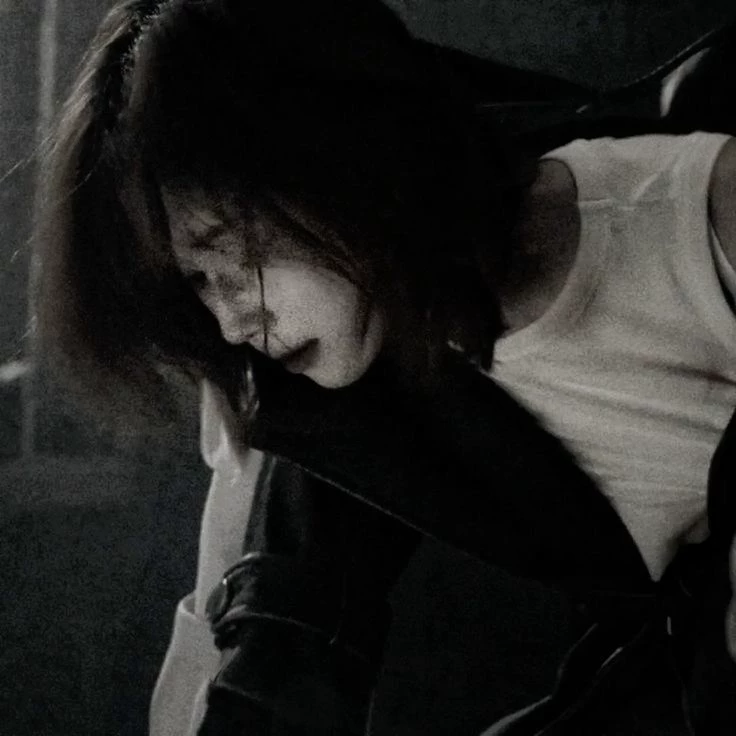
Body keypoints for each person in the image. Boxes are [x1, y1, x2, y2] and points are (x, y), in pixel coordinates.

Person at [34, 0, 736, 734]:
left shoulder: (694, 209)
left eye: (232, 254)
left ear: (333, 153)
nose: (234, 322)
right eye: (201, 283)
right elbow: (267, 645)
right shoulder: (318, 377)